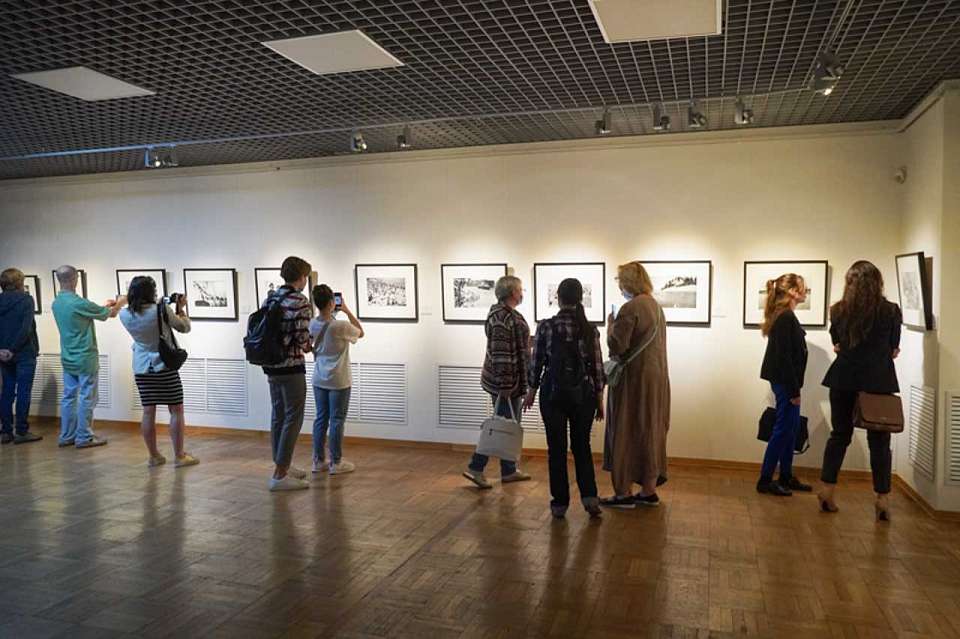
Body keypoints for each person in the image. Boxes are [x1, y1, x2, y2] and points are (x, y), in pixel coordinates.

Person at [819, 260, 902, 521]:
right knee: (879, 441)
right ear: (878, 283)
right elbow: (893, 349)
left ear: (849, 283)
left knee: (839, 436)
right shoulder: (890, 311)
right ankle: (883, 498)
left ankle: (828, 489)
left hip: (843, 378)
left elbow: (838, 345)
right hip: (877, 381)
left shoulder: (838, 310)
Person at [525, 278, 603, 519]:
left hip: (553, 394)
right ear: (580, 298)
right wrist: (600, 400)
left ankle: (560, 503)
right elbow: (597, 368)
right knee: (582, 447)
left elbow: (536, 362)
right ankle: (590, 498)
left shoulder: (546, 326)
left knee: (556, 449)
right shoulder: (589, 329)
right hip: (584, 396)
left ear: (558, 297)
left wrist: (531, 391)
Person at [601, 261, 670, 508]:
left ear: (627, 281)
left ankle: (623, 493)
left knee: (625, 430)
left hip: (633, 380)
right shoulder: (656, 307)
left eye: (620, 281)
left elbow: (617, 346)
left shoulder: (631, 308)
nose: (619, 286)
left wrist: (610, 326)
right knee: (650, 429)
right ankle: (648, 490)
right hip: (657, 380)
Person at [119, 276, 198, 468]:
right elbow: (184, 327)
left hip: (141, 367)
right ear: (150, 292)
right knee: (176, 409)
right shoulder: (160, 311)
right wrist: (181, 309)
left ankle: (154, 456)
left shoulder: (124, 314)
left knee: (148, 411)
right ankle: (179, 456)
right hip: (164, 365)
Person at [463, 275, 532, 488]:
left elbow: (514, 344)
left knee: (507, 426)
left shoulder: (506, 314)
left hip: (511, 382)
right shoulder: (502, 318)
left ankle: (509, 469)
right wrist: (505, 387)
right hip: (506, 384)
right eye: (520, 289)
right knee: (498, 427)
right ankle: (476, 467)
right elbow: (501, 355)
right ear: (512, 293)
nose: (522, 293)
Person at [51, 265, 124, 448]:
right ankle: (84, 436)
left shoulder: (57, 302)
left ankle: (67, 436)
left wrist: (105, 306)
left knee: (69, 397)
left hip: (68, 357)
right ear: (74, 279)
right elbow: (111, 315)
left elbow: (89, 312)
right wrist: (121, 301)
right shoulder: (78, 302)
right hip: (85, 357)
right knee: (87, 397)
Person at [757, 274, 811, 496]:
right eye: (802, 288)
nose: (805, 291)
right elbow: (785, 358)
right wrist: (794, 390)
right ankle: (765, 479)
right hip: (786, 382)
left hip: (785, 381)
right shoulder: (785, 317)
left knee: (790, 429)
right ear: (792, 292)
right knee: (782, 430)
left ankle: (786, 476)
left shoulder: (784, 316)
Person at [263, 256, 313, 491]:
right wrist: (311, 343)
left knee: (278, 415)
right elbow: (303, 340)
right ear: (301, 276)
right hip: (292, 366)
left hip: (271, 365)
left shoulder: (271, 298)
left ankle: (282, 464)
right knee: (294, 417)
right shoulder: (300, 301)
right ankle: (280, 473)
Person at [309, 284, 364, 476]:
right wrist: (347, 310)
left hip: (319, 379)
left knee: (320, 419)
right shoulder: (340, 326)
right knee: (337, 420)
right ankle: (336, 462)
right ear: (332, 302)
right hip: (339, 380)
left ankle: (318, 460)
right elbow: (360, 331)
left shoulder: (312, 324)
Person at [0, 268, 41, 445]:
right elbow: (25, 329)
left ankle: (5, 431)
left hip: (3, 354)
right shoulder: (26, 300)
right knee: (23, 392)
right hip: (24, 353)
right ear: (18, 283)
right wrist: (13, 349)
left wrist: (3, 350)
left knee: (7, 392)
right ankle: (22, 431)